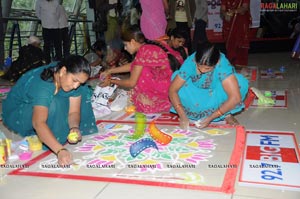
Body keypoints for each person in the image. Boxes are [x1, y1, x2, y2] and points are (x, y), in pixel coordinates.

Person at [2, 55, 98, 166]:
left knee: (76, 94)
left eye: (79, 83)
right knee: (54, 104)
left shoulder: (70, 82)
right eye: (74, 80)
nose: (76, 86)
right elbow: (38, 123)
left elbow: (74, 112)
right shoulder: (43, 85)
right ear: (63, 71)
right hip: (18, 112)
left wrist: (74, 127)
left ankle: (49, 134)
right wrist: (60, 150)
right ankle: (46, 138)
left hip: (41, 108)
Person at [99, 25, 179, 113]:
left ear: (132, 42)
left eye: (126, 45)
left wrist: (111, 81)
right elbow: (134, 66)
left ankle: (152, 103)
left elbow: (131, 83)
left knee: (134, 88)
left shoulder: (144, 50)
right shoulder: (148, 48)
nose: (125, 48)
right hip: (166, 90)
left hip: (160, 93)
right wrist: (109, 71)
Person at [168, 42, 249, 129]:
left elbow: (235, 98)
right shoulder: (191, 62)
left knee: (240, 83)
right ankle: (192, 113)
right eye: (199, 66)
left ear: (217, 62)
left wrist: (210, 118)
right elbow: (173, 90)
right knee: (176, 78)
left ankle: (226, 114)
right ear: (195, 60)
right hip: (195, 91)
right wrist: (183, 116)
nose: (202, 70)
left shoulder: (222, 65)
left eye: (207, 68)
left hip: (215, 91)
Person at [220, 0, 251, 66]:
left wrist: (233, 11)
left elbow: (244, 8)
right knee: (230, 46)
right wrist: (225, 14)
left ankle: (241, 67)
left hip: (241, 24)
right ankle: (231, 67)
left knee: (240, 47)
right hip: (229, 25)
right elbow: (222, 10)